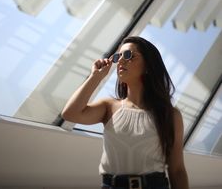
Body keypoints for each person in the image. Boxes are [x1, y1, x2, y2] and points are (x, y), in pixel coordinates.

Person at [62, 36, 189, 189]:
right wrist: (96, 77)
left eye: (129, 55)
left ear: (148, 65)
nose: (121, 61)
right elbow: (70, 113)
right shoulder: (108, 106)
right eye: (118, 57)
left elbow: (177, 170)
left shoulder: (170, 115)